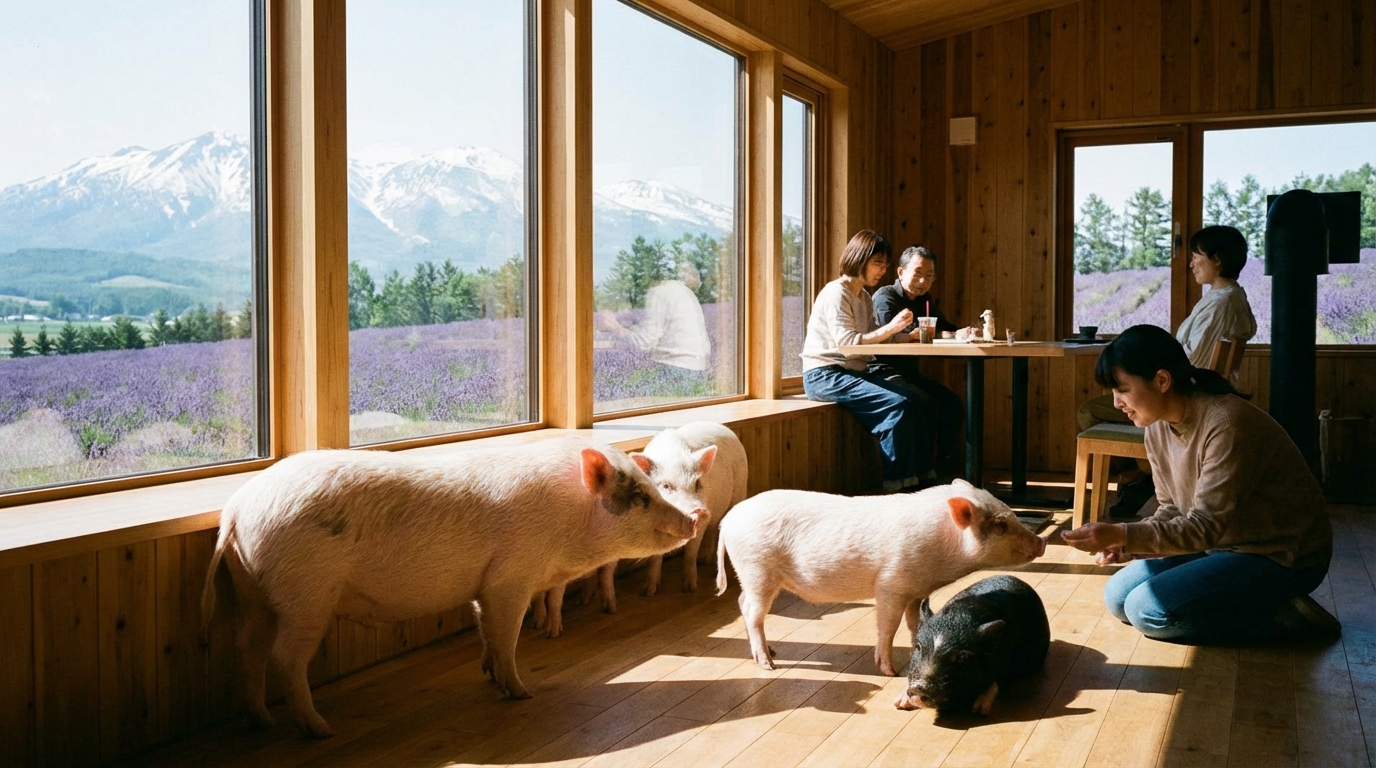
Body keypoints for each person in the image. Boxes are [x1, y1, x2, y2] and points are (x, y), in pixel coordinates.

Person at [1062, 324, 1338, 645]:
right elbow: (1170, 510)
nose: (1117, 402)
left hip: (1282, 556)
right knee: (1118, 597)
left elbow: (1205, 527)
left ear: (1162, 380)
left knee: (1146, 611)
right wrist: (1127, 543)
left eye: (1122, 390)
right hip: (1221, 546)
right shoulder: (1157, 428)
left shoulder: (1226, 424)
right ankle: (1255, 602)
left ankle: (1285, 616)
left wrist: (1124, 532)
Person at [1079, 225, 1258, 519]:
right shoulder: (1231, 298)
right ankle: (1140, 479)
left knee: (1089, 411)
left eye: (1196, 256)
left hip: (1184, 393)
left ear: (1217, 260)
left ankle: (1137, 479)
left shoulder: (1221, 304)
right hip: (1190, 389)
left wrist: (1144, 360)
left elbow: (1189, 360)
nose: (1191, 263)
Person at [801, 230, 935, 493]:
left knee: (919, 401)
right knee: (898, 407)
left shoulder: (862, 296)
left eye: (885, 265)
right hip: (825, 373)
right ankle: (899, 490)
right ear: (859, 259)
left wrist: (908, 336)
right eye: (877, 263)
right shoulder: (836, 293)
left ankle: (924, 483)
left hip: (853, 371)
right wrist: (892, 327)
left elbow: (877, 340)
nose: (882, 271)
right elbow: (848, 344)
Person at [871, 245, 978, 478]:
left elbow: (944, 327)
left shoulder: (925, 300)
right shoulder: (885, 296)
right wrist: (939, 334)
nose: (923, 280)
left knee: (950, 403)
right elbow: (892, 335)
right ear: (900, 272)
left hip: (911, 374)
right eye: (918, 273)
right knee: (925, 403)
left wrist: (964, 331)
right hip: (881, 372)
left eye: (929, 276)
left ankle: (948, 472)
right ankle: (924, 476)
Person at [598, 262, 712, 386]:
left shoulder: (659, 292)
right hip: (698, 371)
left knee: (616, 384)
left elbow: (644, 343)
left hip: (675, 371)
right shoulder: (684, 292)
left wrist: (612, 326)